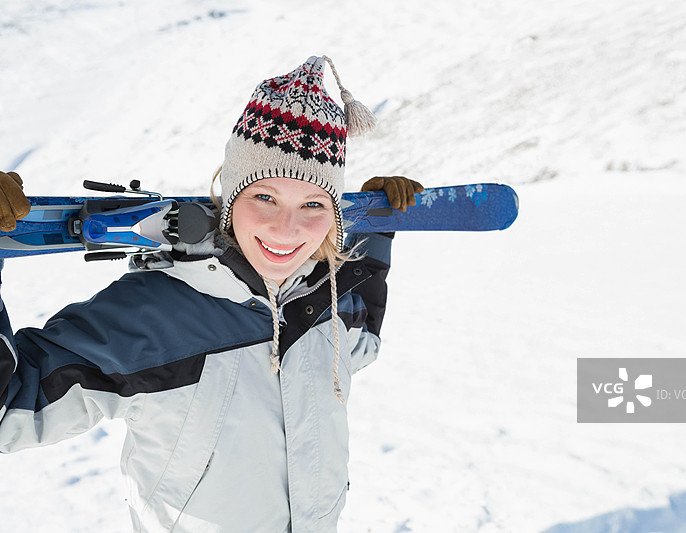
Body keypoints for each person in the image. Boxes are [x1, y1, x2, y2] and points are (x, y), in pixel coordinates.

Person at [0, 55, 423, 532]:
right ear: (230, 198)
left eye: (313, 204)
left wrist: (377, 225)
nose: (288, 228)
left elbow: (362, 336)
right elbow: (10, 410)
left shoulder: (329, 301)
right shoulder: (153, 315)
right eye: (265, 197)